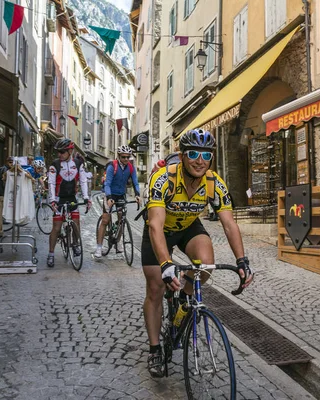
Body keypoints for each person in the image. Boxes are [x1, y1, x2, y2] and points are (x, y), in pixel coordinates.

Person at [142, 128, 254, 378]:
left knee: (205, 265)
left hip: (188, 226)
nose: (199, 160)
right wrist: (166, 264)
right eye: (193, 153)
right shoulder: (164, 178)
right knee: (155, 288)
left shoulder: (214, 182)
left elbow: (229, 223)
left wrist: (242, 261)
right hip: (160, 229)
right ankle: (154, 349)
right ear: (182, 156)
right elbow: (155, 225)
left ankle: (184, 298)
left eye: (206, 155)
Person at [46, 138, 91, 268]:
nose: (59, 154)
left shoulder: (78, 163)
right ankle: (51, 254)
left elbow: (83, 181)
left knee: (76, 224)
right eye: (58, 152)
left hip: (72, 198)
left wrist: (87, 198)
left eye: (62, 151)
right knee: (56, 227)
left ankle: (75, 244)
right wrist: (53, 200)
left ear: (70, 151)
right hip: (59, 199)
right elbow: (51, 183)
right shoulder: (55, 164)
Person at [94, 145, 141, 258]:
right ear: (119, 156)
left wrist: (138, 195)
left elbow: (135, 182)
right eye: (123, 157)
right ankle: (99, 248)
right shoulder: (112, 166)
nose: (125, 159)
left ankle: (118, 241)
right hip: (110, 194)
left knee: (121, 219)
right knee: (105, 220)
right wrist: (109, 197)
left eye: (127, 157)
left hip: (121, 195)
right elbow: (107, 184)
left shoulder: (130, 167)